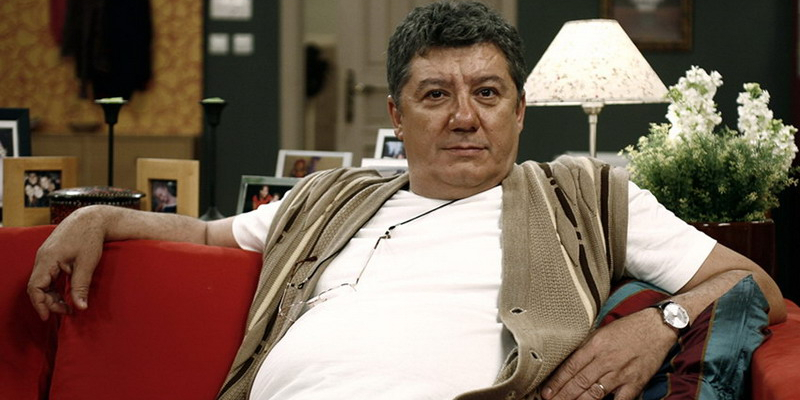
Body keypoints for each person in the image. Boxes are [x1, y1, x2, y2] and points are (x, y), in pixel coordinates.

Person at [28, 2, 786, 400]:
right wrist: (98, 217)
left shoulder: (585, 196)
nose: (464, 117)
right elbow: (202, 233)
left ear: (520, 110)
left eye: (487, 93)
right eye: (435, 95)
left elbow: (757, 286)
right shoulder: (330, 199)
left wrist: (661, 323)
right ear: (396, 114)